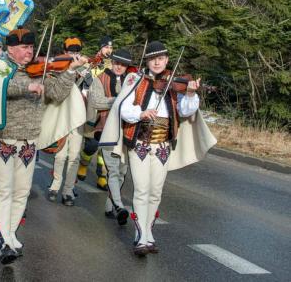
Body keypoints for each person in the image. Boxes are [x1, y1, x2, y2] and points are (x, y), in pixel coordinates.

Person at [0, 28, 86, 264]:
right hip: (3, 138)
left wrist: (69, 71)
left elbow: (57, 94)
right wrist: (28, 87)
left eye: (31, 47)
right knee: (3, 190)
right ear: (11, 48)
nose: (30, 52)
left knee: (22, 192)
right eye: (24, 47)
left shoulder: (40, 70)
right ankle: (3, 240)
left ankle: (11, 234)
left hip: (29, 140)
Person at [100, 41, 216, 256]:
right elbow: (123, 108)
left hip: (163, 145)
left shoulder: (173, 83)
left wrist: (190, 94)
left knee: (155, 193)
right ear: (147, 61)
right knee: (142, 190)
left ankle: (149, 232)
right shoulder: (136, 79)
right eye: (153, 59)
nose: (157, 62)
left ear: (166, 60)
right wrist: (141, 113)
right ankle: (140, 236)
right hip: (140, 144)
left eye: (161, 59)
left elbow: (185, 111)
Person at [87, 48, 133, 224]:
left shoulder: (132, 80)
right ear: (111, 62)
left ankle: (109, 205)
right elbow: (95, 101)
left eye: (123, 64)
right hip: (106, 130)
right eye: (117, 63)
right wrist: (117, 100)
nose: (119, 67)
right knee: (113, 170)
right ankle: (120, 206)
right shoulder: (100, 79)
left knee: (122, 171)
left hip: (126, 130)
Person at [47, 37, 88, 206]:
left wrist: (85, 77)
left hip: (78, 116)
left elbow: (88, 90)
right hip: (62, 114)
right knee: (61, 154)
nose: (74, 55)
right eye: (71, 52)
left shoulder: (86, 67)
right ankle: (55, 186)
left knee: (74, 156)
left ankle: (68, 190)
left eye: (77, 52)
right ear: (65, 52)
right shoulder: (58, 66)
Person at [76, 35, 114, 189]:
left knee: (106, 145)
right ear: (100, 48)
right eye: (106, 47)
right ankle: (83, 164)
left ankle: (102, 175)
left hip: (109, 108)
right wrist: (85, 73)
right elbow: (80, 81)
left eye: (111, 48)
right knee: (92, 144)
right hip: (93, 107)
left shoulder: (114, 65)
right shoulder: (91, 63)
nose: (109, 50)